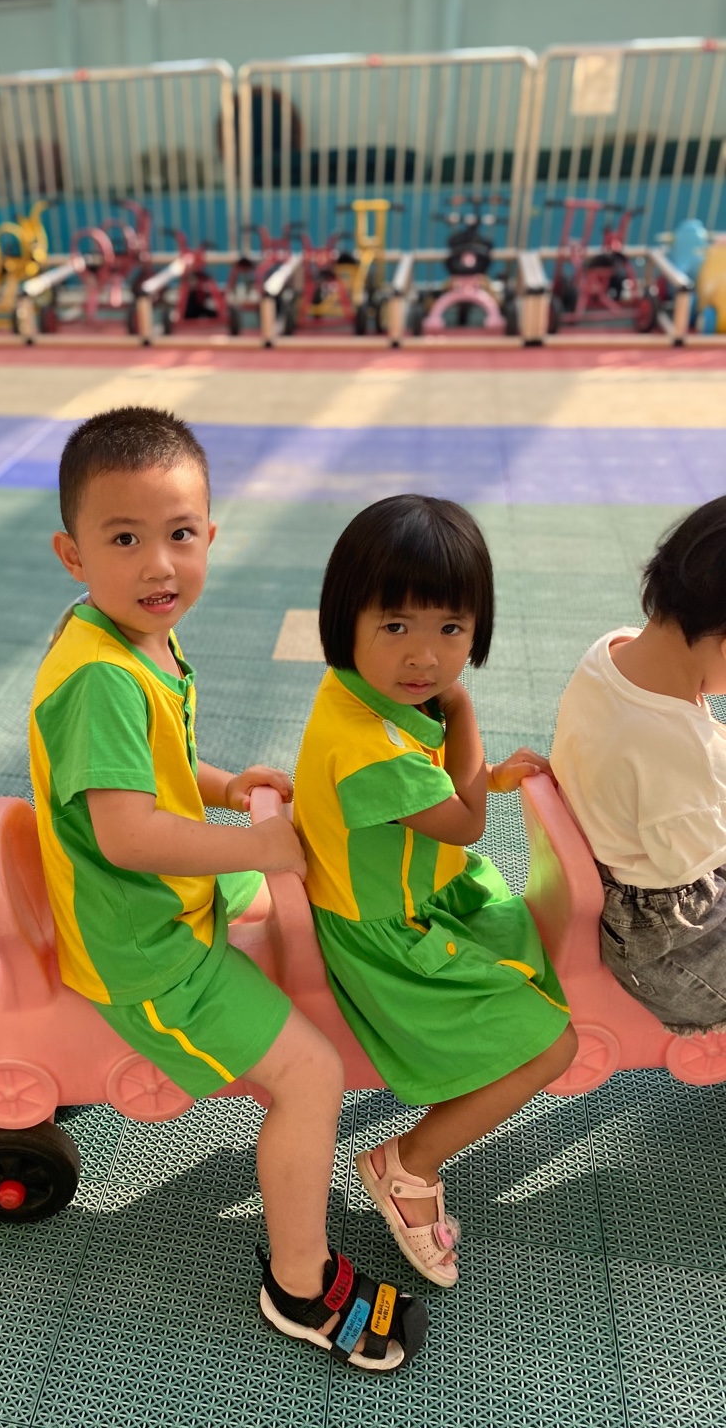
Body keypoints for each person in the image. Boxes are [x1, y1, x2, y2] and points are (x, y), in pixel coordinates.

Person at [28, 408, 427, 1370]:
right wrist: (260, 846)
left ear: (210, 534)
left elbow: (151, 767)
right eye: (124, 540)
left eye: (178, 534)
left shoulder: (131, 639)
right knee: (311, 1076)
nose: (159, 565)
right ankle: (299, 1283)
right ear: (72, 553)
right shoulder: (104, 677)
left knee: (300, 921)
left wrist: (219, 785)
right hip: (147, 948)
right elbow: (126, 833)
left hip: (169, 905)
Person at [294, 494, 577, 1288]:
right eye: (396, 626)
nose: (425, 656)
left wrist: (475, 766)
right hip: (386, 936)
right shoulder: (373, 747)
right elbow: (466, 822)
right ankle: (407, 1163)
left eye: (451, 628)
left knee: (529, 966)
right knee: (553, 1046)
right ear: (344, 620)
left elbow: (435, 791)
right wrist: (464, 711)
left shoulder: (358, 692)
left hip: (417, 897)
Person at [551, 496, 726, 1036]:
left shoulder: (612, 651)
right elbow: (701, 862)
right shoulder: (674, 750)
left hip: (639, 874)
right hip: (671, 941)